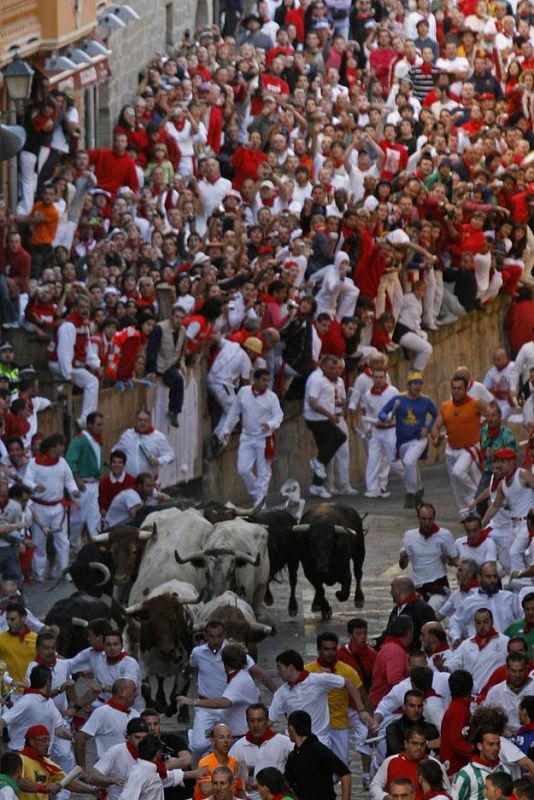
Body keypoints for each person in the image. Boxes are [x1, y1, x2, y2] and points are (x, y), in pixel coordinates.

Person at [269, 649, 372, 746]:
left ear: (290, 667)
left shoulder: (318, 680)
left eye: (280, 667)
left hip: (320, 742)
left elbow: (348, 682)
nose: (278, 672)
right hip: (294, 745)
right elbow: (270, 719)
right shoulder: (281, 694)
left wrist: (361, 710)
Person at [218, 368, 283, 507]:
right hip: (247, 437)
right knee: (243, 469)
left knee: (263, 472)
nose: (266, 383)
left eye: (268, 380)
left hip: (264, 438)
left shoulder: (272, 397)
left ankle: (260, 502)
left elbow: (279, 415)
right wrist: (226, 429)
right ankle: (256, 494)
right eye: (263, 380)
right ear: (255, 380)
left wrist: (270, 424)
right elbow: (234, 412)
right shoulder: (243, 392)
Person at [304, 631, 369, 764]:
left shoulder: (347, 671)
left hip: (340, 726)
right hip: (316, 727)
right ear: (318, 650)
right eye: (326, 649)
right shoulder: (307, 671)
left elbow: (362, 695)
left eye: (334, 649)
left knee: (341, 766)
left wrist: (365, 713)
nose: (331, 652)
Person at [378, 372, 438, 508]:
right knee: (411, 466)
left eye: (420, 383)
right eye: (415, 383)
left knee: (409, 461)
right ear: (409, 385)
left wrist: (427, 428)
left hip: (419, 439)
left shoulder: (426, 401)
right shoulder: (398, 400)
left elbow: (437, 416)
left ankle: (410, 494)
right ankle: (419, 490)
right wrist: (385, 417)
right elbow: (382, 412)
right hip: (402, 441)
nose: (418, 386)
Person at [431, 376, 490, 514]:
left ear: (466, 389)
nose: (456, 391)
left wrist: (486, 431)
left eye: (459, 388)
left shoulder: (475, 403)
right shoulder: (446, 406)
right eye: (454, 388)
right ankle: (465, 514)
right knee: (456, 486)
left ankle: (477, 499)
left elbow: (493, 414)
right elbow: (435, 427)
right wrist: (436, 439)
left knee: (459, 472)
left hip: (470, 449)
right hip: (451, 450)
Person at [177, 643, 259, 738]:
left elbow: (225, 702)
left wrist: (193, 702)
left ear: (224, 662)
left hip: (241, 738)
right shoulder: (241, 676)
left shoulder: (239, 681)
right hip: (236, 736)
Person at [47, 294, 100, 427]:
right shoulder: (68, 326)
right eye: (81, 307)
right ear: (74, 308)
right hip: (58, 364)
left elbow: (87, 349)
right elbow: (64, 353)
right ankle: (86, 418)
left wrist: (97, 365)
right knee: (92, 382)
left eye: (87, 307)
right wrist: (68, 374)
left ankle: (86, 417)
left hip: (73, 364)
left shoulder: (84, 326)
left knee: (93, 380)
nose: (85, 310)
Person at [481, 449, 534, 572]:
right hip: (513, 526)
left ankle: (522, 585)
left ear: (512, 462)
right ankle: (524, 583)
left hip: (528, 523)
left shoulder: (523, 474)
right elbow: (495, 506)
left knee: (514, 553)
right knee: (517, 557)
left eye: (503, 461)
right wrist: (482, 523)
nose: (499, 465)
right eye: (498, 461)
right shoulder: (502, 484)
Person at [399, 504, 458, 612]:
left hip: (438, 587)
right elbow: (403, 565)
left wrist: (447, 560)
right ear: (418, 518)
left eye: (430, 519)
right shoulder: (409, 536)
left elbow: (455, 561)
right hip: (417, 588)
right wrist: (403, 558)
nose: (427, 523)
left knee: (428, 613)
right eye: (424, 519)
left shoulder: (445, 535)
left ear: (434, 518)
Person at [304, 355, 348, 498]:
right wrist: (331, 416)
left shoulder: (329, 380)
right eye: (330, 368)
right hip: (316, 418)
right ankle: (317, 461)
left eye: (336, 368)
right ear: (323, 366)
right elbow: (313, 402)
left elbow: (326, 399)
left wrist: (339, 405)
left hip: (323, 417)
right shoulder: (316, 379)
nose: (334, 371)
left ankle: (316, 485)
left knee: (324, 450)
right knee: (340, 437)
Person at [229, 704, 293, 800]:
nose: (255, 725)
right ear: (247, 722)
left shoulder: (284, 743)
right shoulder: (238, 747)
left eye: (259, 720)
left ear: (267, 721)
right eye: (252, 720)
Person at [0, 665, 69, 752]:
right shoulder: (27, 700)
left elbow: (59, 730)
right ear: (48, 682)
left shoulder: (49, 702)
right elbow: (3, 721)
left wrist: (74, 737)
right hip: (21, 755)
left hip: (40, 757)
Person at [18, 724, 98, 799]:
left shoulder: (49, 764)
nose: (48, 744)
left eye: (48, 740)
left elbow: (69, 783)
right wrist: (45, 788)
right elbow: (19, 782)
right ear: (31, 741)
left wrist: (92, 790)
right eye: (43, 740)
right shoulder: (19, 760)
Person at [284, 710, 351, 800]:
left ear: (291, 729)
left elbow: (345, 773)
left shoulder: (318, 750)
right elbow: (286, 782)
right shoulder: (294, 755)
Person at [370, 726, 449, 800]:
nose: (419, 748)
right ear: (406, 744)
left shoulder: (434, 764)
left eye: (422, 744)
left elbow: (447, 790)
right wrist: (385, 796)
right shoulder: (391, 761)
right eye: (415, 743)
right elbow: (375, 786)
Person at [76, 678, 139, 769]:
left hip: (133, 771)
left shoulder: (135, 714)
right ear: (122, 692)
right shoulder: (102, 713)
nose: (136, 694)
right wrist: (82, 768)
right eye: (133, 690)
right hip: (108, 773)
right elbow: (80, 738)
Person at [444, 608, 509, 694]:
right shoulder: (466, 645)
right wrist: (443, 668)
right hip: (473, 695)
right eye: (478, 622)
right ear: (474, 624)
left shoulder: (505, 641)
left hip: (497, 694)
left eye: (485, 622)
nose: (482, 626)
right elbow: (455, 664)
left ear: (492, 622)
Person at [65, 410, 104, 550]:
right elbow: (70, 460)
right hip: (83, 484)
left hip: (94, 483)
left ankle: (96, 544)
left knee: (94, 516)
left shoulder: (96, 440)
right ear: (90, 425)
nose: (100, 427)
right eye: (98, 424)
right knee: (78, 518)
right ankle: (74, 544)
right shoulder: (80, 440)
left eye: (101, 424)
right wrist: (77, 479)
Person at [141, 708, 196, 800]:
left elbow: (187, 760)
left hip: (183, 793)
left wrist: (161, 767)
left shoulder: (173, 740)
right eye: (148, 725)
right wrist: (174, 764)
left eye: (155, 724)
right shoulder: (141, 746)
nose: (152, 728)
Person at [146, 305, 187, 428]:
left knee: (178, 381)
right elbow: (152, 349)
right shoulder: (160, 328)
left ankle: (174, 411)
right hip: (159, 365)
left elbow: (182, 349)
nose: (179, 320)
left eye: (181, 318)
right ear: (171, 316)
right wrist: (152, 369)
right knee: (176, 380)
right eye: (177, 317)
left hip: (170, 364)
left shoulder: (183, 331)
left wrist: (182, 362)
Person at [117, 734, 192, 800]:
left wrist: (193, 774)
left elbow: (166, 777)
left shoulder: (151, 770)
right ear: (158, 753)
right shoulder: (138, 773)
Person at [112, 408, 175, 480]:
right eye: (140, 420)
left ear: (150, 422)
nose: (143, 423)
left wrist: (158, 461)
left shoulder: (158, 437)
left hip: (148, 483)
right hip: (128, 481)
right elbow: (115, 452)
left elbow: (170, 455)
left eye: (145, 420)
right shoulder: (127, 435)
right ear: (136, 421)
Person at [369, 615, 413, 708]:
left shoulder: (391, 646)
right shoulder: (395, 650)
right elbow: (394, 679)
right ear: (408, 632)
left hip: (384, 705)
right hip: (387, 709)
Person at [452, 728, 509, 800]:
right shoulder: (466, 774)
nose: (496, 748)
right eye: (491, 744)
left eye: (498, 744)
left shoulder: (505, 770)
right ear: (480, 746)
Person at [485, 652, 534, 734]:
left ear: (526, 669)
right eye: (513, 671)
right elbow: (486, 720)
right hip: (504, 740)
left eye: (520, 671)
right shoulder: (495, 692)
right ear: (507, 670)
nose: (517, 675)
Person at [379, 577, 436, 646]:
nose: (390, 592)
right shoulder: (397, 609)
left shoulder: (422, 609)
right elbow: (388, 633)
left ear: (397, 591)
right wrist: (374, 642)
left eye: (392, 588)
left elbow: (433, 636)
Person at [193, 723, 244, 800]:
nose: (226, 741)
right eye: (221, 737)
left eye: (229, 737)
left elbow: (239, 792)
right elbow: (206, 790)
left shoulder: (234, 763)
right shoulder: (205, 762)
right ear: (212, 741)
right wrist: (235, 776)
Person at [440, 670, 474, 776]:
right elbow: (456, 742)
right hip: (455, 765)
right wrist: (477, 751)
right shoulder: (459, 710)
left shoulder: (457, 707)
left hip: (454, 762)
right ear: (470, 687)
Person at [385, 690, 440, 756]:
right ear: (404, 707)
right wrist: (426, 744)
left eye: (419, 706)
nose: (416, 710)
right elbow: (398, 751)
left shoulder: (431, 729)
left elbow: (440, 751)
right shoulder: (393, 729)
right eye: (412, 706)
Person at [0, 602, 37, 682]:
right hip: (12, 691)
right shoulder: (1, 639)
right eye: (7, 619)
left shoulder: (36, 639)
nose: (9, 623)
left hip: (33, 690)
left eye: (12, 619)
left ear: (23, 618)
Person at [98, 449, 135, 517]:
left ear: (124, 464)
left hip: (128, 520)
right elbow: (102, 508)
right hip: (109, 520)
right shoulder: (103, 483)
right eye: (114, 462)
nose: (117, 465)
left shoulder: (131, 481)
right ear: (111, 464)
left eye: (120, 463)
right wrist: (110, 521)